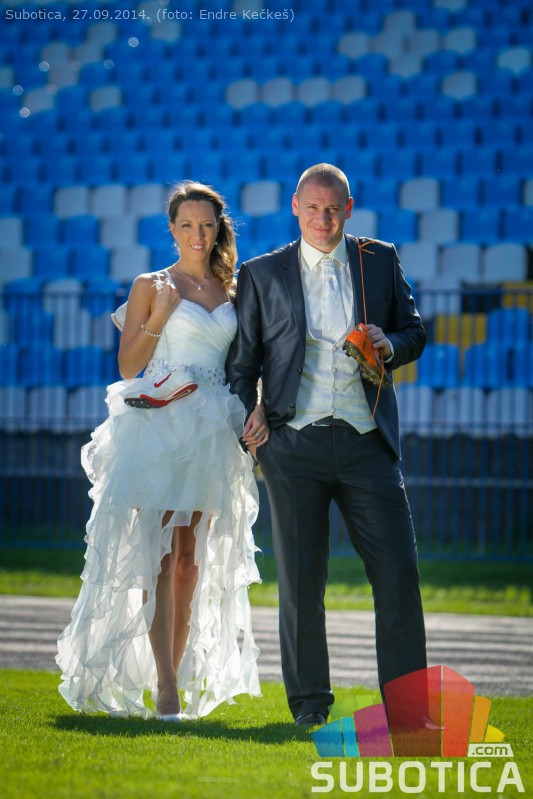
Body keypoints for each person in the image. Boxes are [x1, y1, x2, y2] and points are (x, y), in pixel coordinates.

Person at [227, 163, 428, 728]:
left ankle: (409, 713)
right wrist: (252, 415)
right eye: (313, 208)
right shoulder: (260, 273)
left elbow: (415, 331)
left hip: (368, 443)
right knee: (301, 584)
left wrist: (390, 345)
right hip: (293, 445)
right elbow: (242, 366)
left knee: (398, 575)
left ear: (349, 208)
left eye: (333, 209)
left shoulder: (380, 259)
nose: (323, 219)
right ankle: (310, 708)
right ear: (296, 206)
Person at [57, 181, 262, 721]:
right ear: (172, 229)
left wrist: (257, 406)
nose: (198, 234)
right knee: (163, 556)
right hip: (161, 424)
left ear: (218, 229)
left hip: (212, 429)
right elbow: (129, 366)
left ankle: (172, 677)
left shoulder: (234, 289)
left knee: (191, 562)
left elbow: (246, 363)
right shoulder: (151, 284)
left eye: (207, 225)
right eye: (187, 225)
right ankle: (167, 689)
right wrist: (159, 316)